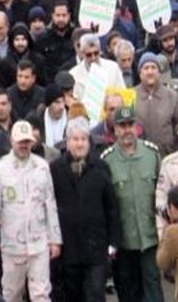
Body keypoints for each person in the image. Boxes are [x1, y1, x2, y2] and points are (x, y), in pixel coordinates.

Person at [0, 120, 61, 302]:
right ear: (12, 141)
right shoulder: (0, 169)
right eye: (20, 141)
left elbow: (50, 203)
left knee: (41, 294)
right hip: (12, 245)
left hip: (38, 243)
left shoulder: (42, 166)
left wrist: (55, 239)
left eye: (27, 141)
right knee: (11, 294)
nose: (24, 145)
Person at [50, 117, 118, 302]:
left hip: (96, 249)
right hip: (68, 249)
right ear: (67, 141)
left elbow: (111, 207)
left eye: (83, 139)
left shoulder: (101, 168)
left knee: (95, 294)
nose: (79, 144)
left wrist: (112, 243)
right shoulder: (55, 169)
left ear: (89, 141)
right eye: (75, 139)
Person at [100, 106, 161, 302]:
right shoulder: (107, 160)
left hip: (150, 236)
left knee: (153, 287)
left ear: (137, 127)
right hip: (124, 240)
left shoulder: (152, 155)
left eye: (130, 124)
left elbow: (161, 194)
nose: (126, 130)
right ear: (114, 129)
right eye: (122, 125)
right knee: (128, 290)